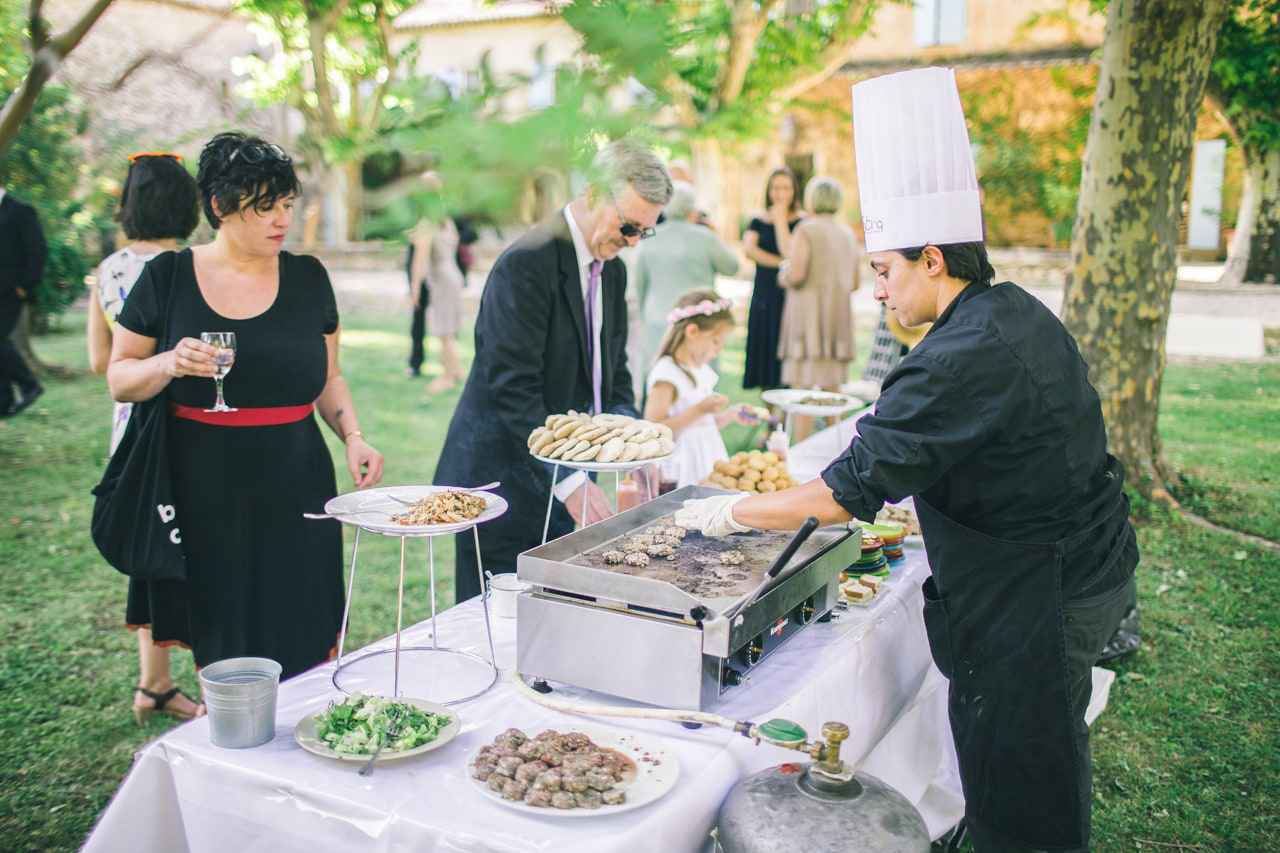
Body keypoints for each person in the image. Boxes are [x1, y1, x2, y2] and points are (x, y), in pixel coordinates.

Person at [676, 68, 1138, 852]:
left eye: (884, 272)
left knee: (1026, 778)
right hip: (1079, 567)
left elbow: (840, 496)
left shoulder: (956, 355)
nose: (879, 294)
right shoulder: (1012, 309)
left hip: (1039, 593)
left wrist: (729, 510)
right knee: (1026, 763)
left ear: (933, 259)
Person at [107, 131, 384, 680]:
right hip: (202, 486)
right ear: (219, 207)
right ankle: (227, 724)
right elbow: (119, 377)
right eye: (264, 208)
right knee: (223, 628)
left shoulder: (308, 278)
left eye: (285, 205)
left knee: (300, 613)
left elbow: (328, 375)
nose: (281, 220)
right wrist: (168, 363)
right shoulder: (167, 277)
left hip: (296, 478)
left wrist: (352, 435)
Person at [434, 138, 672, 602]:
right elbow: (511, 387)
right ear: (593, 194)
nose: (632, 242)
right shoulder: (527, 264)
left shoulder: (614, 269)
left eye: (645, 231)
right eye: (628, 226)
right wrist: (568, 479)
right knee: (502, 627)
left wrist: (632, 446)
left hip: (566, 479)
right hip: (505, 483)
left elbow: (614, 371)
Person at [88, 151, 205, 723]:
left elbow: (98, 360)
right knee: (200, 549)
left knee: (151, 553)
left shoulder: (110, 269)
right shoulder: (193, 265)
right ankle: (216, 679)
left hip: (129, 433)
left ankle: (153, 684)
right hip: (183, 430)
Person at [643, 289, 753, 489]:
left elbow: (703, 426)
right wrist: (700, 409)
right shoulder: (667, 374)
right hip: (682, 468)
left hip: (707, 461)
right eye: (716, 341)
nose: (719, 350)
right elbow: (653, 430)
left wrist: (731, 415)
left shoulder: (700, 370)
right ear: (692, 331)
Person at [776, 176, 859, 440]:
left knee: (801, 392)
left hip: (808, 316)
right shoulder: (847, 234)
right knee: (834, 394)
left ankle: (799, 453)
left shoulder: (806, 229)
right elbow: (854, 282)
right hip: (836, 319)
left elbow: (797, 275)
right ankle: (836, 452)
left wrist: (783, 274)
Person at [635, 181, 739, 365]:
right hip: (699, 323)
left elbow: (640, 283)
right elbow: (732, 267)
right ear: (693, 208)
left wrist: (643, 314)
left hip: (657, 320)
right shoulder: (704, 237)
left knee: (659, 377)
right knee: (699, 384)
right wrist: (715, 233)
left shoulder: (648, 238)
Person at [741, 167, 802, 392]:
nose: (780, 193)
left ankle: (784, 413)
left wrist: (779, 219)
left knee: (783, 356)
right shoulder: (757, 221)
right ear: (769, 190)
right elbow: (750, 250)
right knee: (764, 351)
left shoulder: (801, 222)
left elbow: (790, 251)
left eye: (786, 188)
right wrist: (781, 263)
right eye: (776, 188)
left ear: (794, 191)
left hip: (789, 295)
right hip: (764, 294)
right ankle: (770, 417)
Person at [407, 172, 468, 393]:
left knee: (444, 331)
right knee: (449, 327)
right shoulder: (446, 221)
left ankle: (448, 375)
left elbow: (420, 260)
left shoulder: (427, 224)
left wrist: (414, 288)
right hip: (453, 275)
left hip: (442, 279)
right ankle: (457, 371)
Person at [0, 187, 47, 417]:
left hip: (11, 290)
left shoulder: (19, 210)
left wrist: (25, 286)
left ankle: (30, 384)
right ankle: (5, 401)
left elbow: (38, 249)